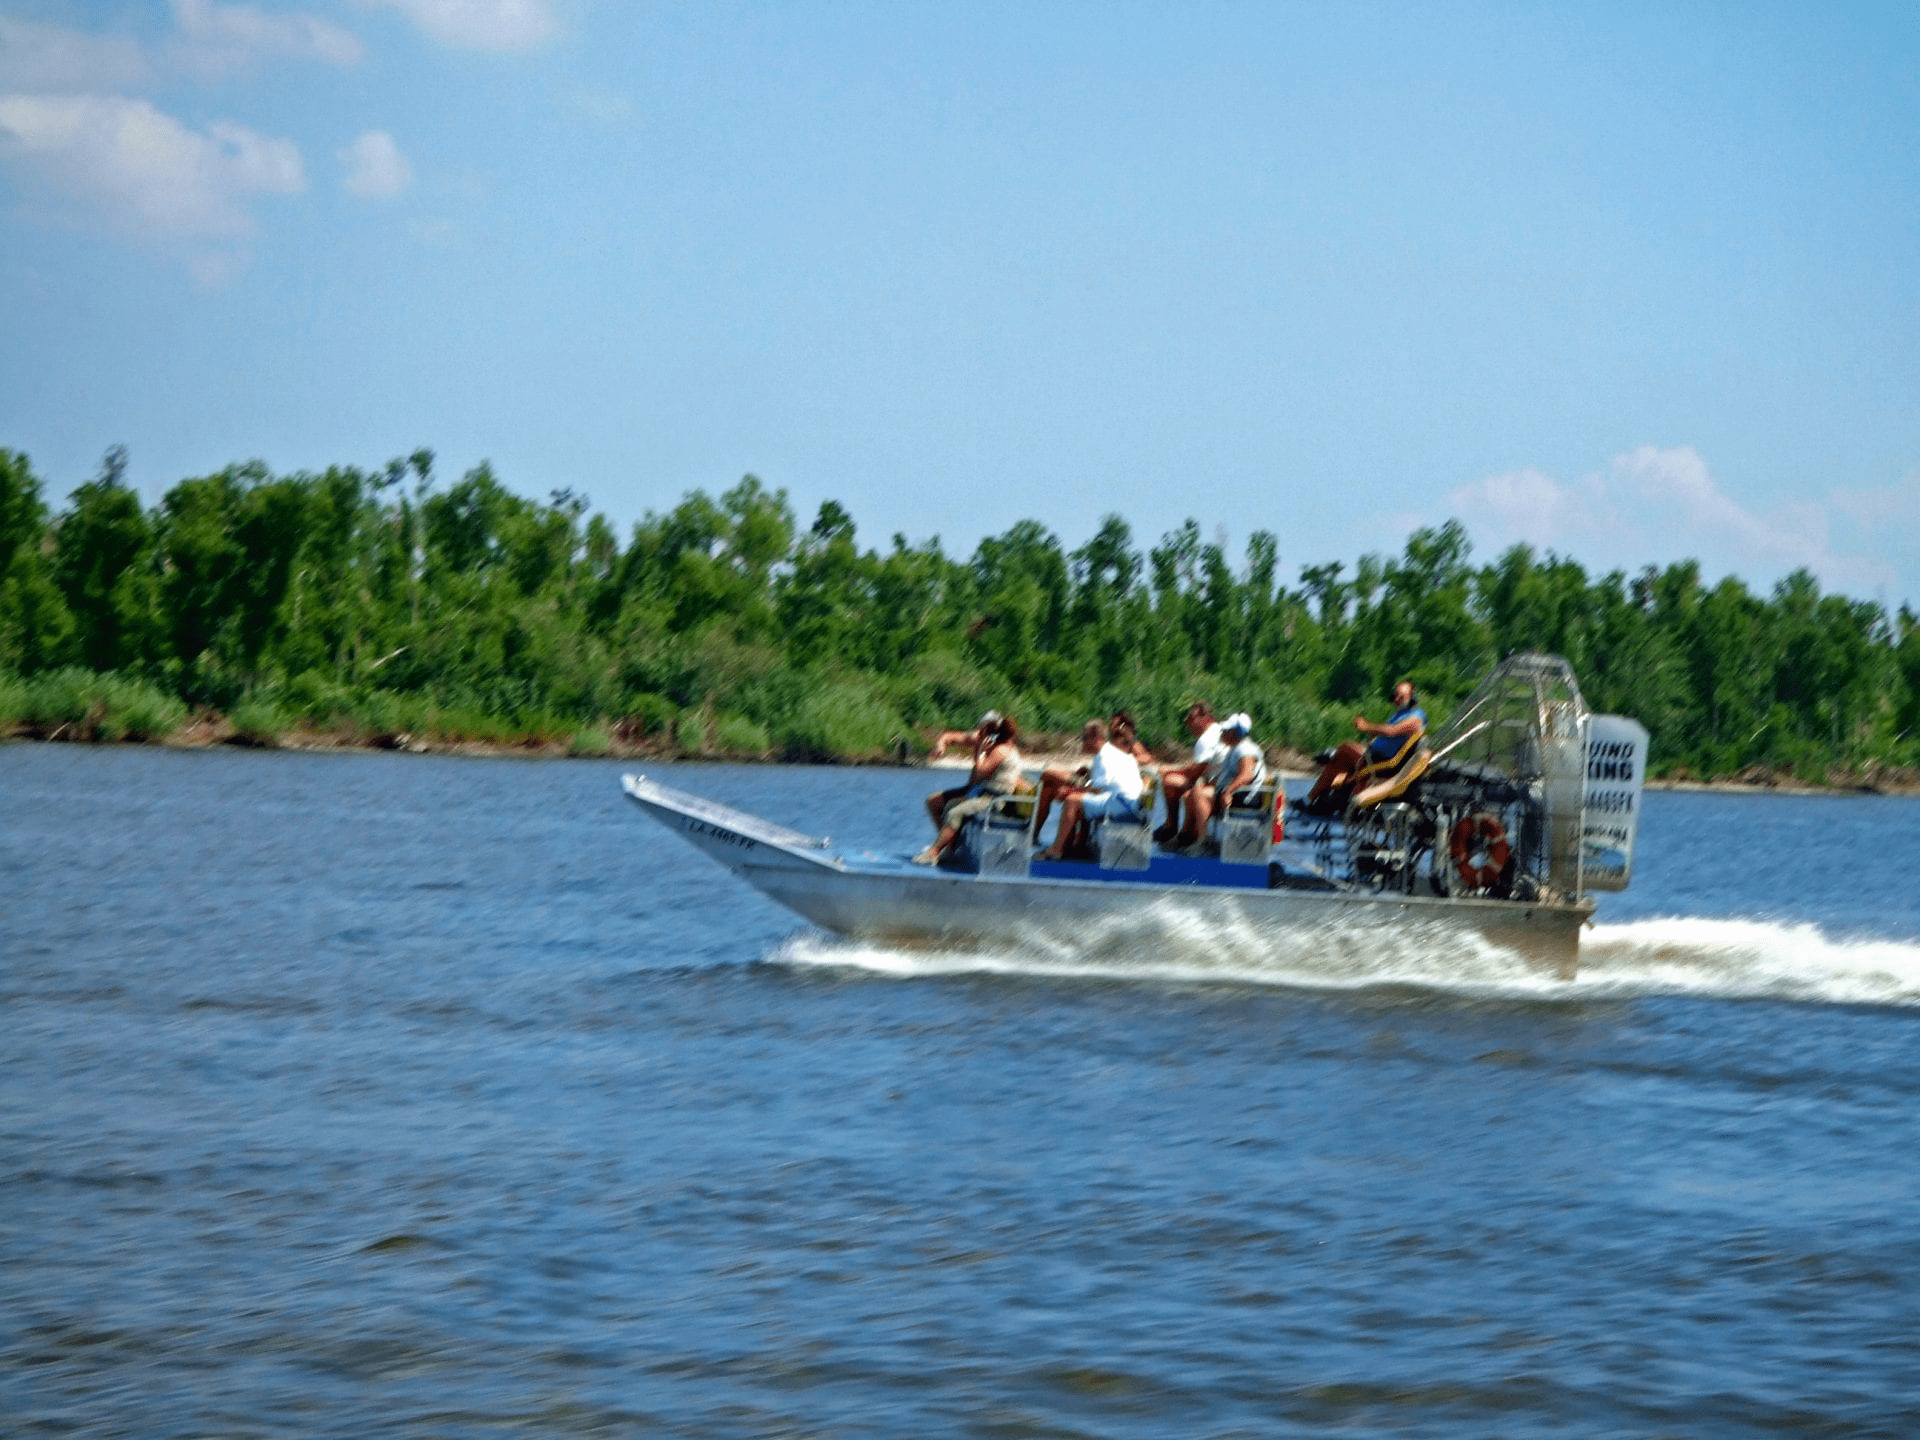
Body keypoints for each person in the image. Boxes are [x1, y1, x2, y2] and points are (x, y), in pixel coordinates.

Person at [914, 712, 1023, 865]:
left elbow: (981, 773)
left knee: (954, 812)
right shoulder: (984, 739)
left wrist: (981, 751)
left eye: (984, 729)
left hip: (993, 798)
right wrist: (941, 744)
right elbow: (950, 736)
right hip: (981, 792)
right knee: (938, 802)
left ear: (994, 730)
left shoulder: (1001, 749)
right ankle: (950, 846)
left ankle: (935, 852)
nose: (980, 732)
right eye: (981, 728)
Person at [1302, 680, 1426, 814]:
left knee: (1346, 747)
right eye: (1395, 695)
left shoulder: (1416, 717)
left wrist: (1366, 726)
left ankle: (1318, 799)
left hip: (1382, 761)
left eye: (1402, 697)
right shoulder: (1399, 714)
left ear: (1412, 698)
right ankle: (1317, 801)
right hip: (1373, 756)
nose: (1396, 699)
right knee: (1336, 765)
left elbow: (1391, 731)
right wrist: (1371, 737)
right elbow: (1386, 733)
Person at [1036, 716, 1146, 862]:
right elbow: (1101, 788)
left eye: (1085, 737)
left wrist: (1068, 792)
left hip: (1123, 804)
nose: (1083, 742)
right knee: (1078, 800)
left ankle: (1056, 850)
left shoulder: (1104, 757)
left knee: (1072, 800)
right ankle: (1073, 845)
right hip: (1127, 802)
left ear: (1097, 737)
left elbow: (1097, 790)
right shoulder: (1110, 753)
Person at [1172, 712, 1266, 851]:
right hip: (1237, 794)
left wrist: (1228, 791)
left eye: (1226, 731)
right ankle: (1188, 839)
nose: (1222, 733)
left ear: (1235, 733)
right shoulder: (1236, 748)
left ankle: (1203, 843)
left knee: (1199, 793)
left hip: (1244, 797)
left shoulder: (1245, 749)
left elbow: (1246, 775)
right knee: (1189, 795)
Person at [1154, 701, 1226, 846]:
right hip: (1217, 782)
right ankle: (1184, 834)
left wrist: (1168, 770)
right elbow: (1199, 766)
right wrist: (1174, 768)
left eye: (1191, 718)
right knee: (1189, 790)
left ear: (1205, 717)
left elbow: (1196, 771)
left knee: (1171, 781)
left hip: (1218, 787)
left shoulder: (1205, 739)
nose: (1187, 723)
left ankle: (1173, 828)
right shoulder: (1219, 730)